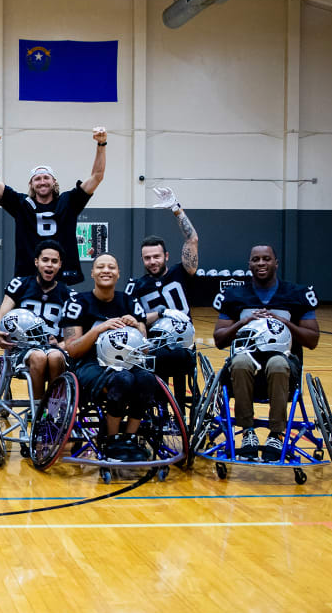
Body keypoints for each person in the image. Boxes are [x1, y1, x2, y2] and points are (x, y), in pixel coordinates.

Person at [212, 244, 320, 462]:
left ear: (276, 263)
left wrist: (282, 321)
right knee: (240, 361)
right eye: (256, 259)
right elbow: (219, 339)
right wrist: (244, 321)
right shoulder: (234, 295)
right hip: (246, 363)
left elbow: (312, 340)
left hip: (284, 363)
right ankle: (247, 431)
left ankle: (276, 433)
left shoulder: (297, 294)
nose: (261, 263)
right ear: (249, 265)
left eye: (266, 259)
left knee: (277, 364)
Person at [62, 254, 156, 461]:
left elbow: (145, 350)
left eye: (111, 267)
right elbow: (72, 349)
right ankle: (111, 439)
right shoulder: (77, 302)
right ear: (92, 273)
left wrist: (137, 326)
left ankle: (130, 438)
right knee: (123, 380)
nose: (106, 270)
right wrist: (101, 328)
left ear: (118, 273)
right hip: (89, 364)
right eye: (101, 267)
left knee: (147, 379)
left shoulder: (130, 301)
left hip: (128, 362)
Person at [0, 127, 107, 285]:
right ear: (31, 184)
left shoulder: (68, 201)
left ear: (54, 181)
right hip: (28, 276)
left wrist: (101, 144)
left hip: (63, 276)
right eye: (37, 179)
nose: (42, 181)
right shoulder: (22, 204)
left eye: (46, 177)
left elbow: (97, 177)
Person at [125, 187, 200, 403]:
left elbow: (192, 239)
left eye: (156, 256)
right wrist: (160, 313)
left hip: (183, 341)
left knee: (177, 357)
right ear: (142, 259)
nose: (152, 261)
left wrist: (176, 209)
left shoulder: (181, 272)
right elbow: (134, 320)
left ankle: (179, 415)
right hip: (155, 345)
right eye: (147, 258)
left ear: (166, 255)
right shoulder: (137, 286)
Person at [0, 240, 76, 401]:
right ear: (37, 262)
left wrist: (61, 345)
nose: (49, 265)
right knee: (38, 356)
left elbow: (72, 335)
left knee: (55, 357)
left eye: (54, 261)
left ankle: (52, 408)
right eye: (45, 260)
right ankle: (38, 409)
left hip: (54, 348)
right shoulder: (20, 285)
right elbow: (0, 318)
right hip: (23, 349)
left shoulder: (69, 295)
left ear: (60, 265)